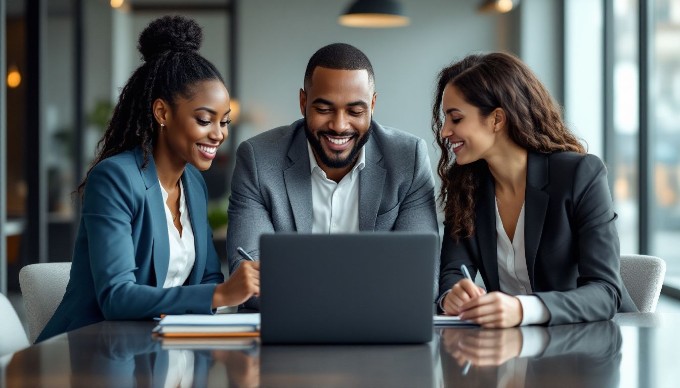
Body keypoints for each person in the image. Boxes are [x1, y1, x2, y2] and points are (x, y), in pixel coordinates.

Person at [37, 16, 259, 343]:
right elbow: (116, 297)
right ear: (162, 113)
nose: (218, 134)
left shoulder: (193, 185)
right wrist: (221, 295)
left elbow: (208, 276)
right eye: (204, 120)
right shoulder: (115, 178)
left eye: (224, 122)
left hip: (155, 348)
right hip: (90, 352)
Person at [227, 43, 438, 311]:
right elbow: (249, 277)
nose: (339, 125)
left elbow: (422, 279)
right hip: (288, 335)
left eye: (355, 111)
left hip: (379, 336)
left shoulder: (408, 158)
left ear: (372, 105)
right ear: (303, 102)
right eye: (324, 109)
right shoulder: (258, 158)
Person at [433, 52, 637, 328]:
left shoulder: (580, 175)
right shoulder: (467, 186)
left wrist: (522, 309)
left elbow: (605, 291)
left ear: (496, 119)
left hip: (592, 345)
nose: (445, 131)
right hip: (515, 347)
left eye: (455, 118)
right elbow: (453, 270)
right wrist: (451, 295)